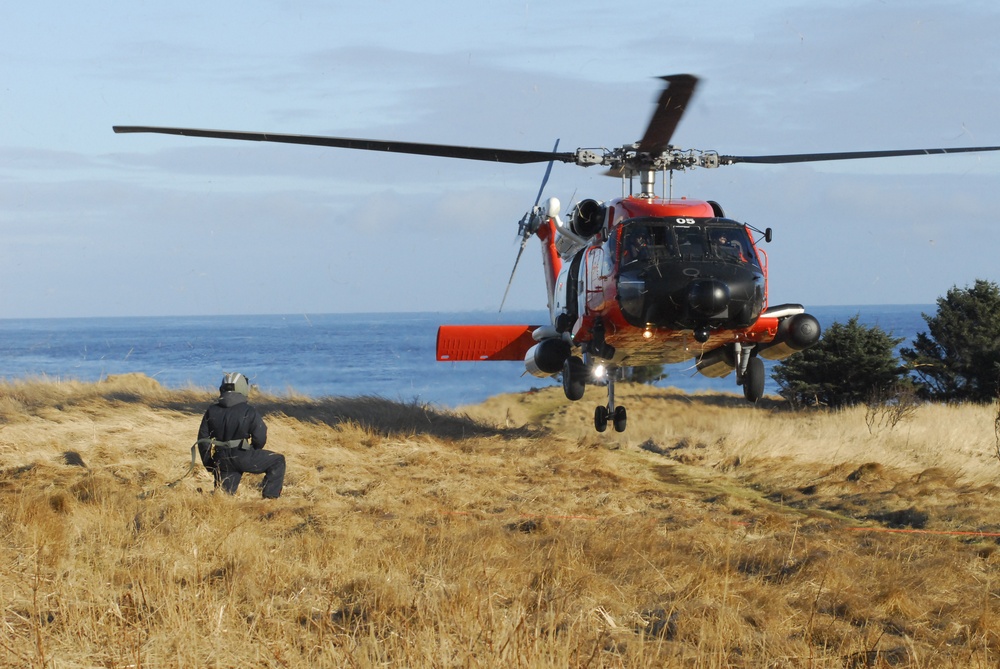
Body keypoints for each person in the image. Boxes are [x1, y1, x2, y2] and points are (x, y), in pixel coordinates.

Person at [197, 372, 285, 498]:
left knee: (223, 498)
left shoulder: (211, 410)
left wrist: (210, 464)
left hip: (221, 460)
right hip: (243, 456)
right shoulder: (249, 411)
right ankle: (270, 499)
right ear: (243, 389)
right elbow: (260, 437)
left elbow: (203, 440)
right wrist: (253, 451)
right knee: (278, 460)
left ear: (222, 388)